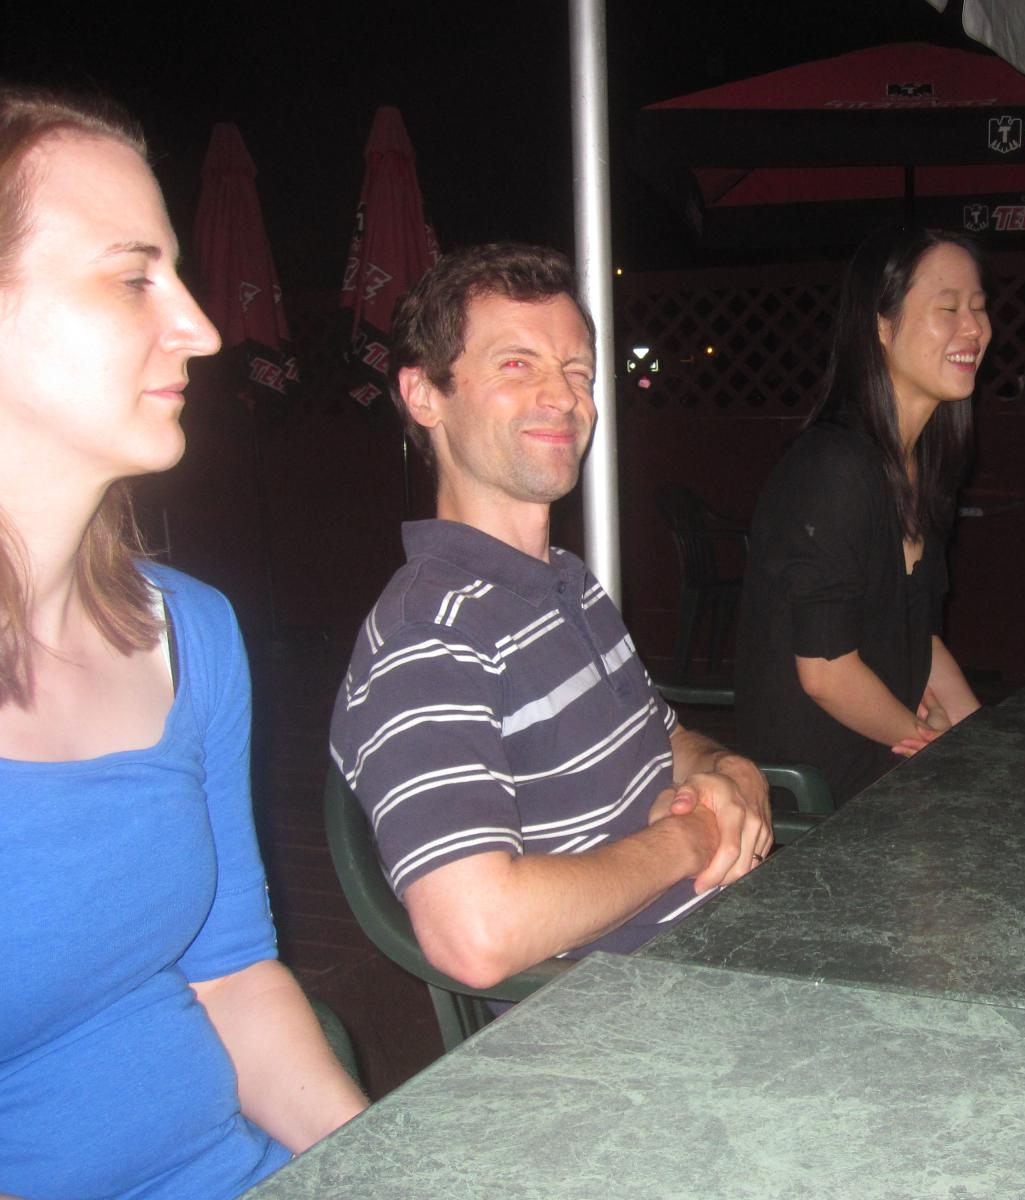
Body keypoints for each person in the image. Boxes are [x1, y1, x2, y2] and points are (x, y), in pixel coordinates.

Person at [0, 86, 365, 1200]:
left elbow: (233, 977)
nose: (203, 329)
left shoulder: (190, 634)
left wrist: (389, 1168)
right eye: (132, 279)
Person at [327, 243, 770, 992]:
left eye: (577, 372)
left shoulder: (566, 583)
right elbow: (477, 935)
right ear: (424, 395)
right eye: (516, 364)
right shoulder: (430, 636)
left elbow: (666, 740)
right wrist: (690, 839)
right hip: (628, 1016)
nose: (563, 397)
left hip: (724, 949)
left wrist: (728, 771)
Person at [736, 225, 985, 803]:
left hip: (886, 751)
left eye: (978, 306)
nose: (974, 328)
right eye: (948, 308)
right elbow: (826, 672)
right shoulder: (833, 466)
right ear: (881, 326)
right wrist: (933, 746)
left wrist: (982, 738)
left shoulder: (919, 465)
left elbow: (922, 638)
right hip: (820, 788)